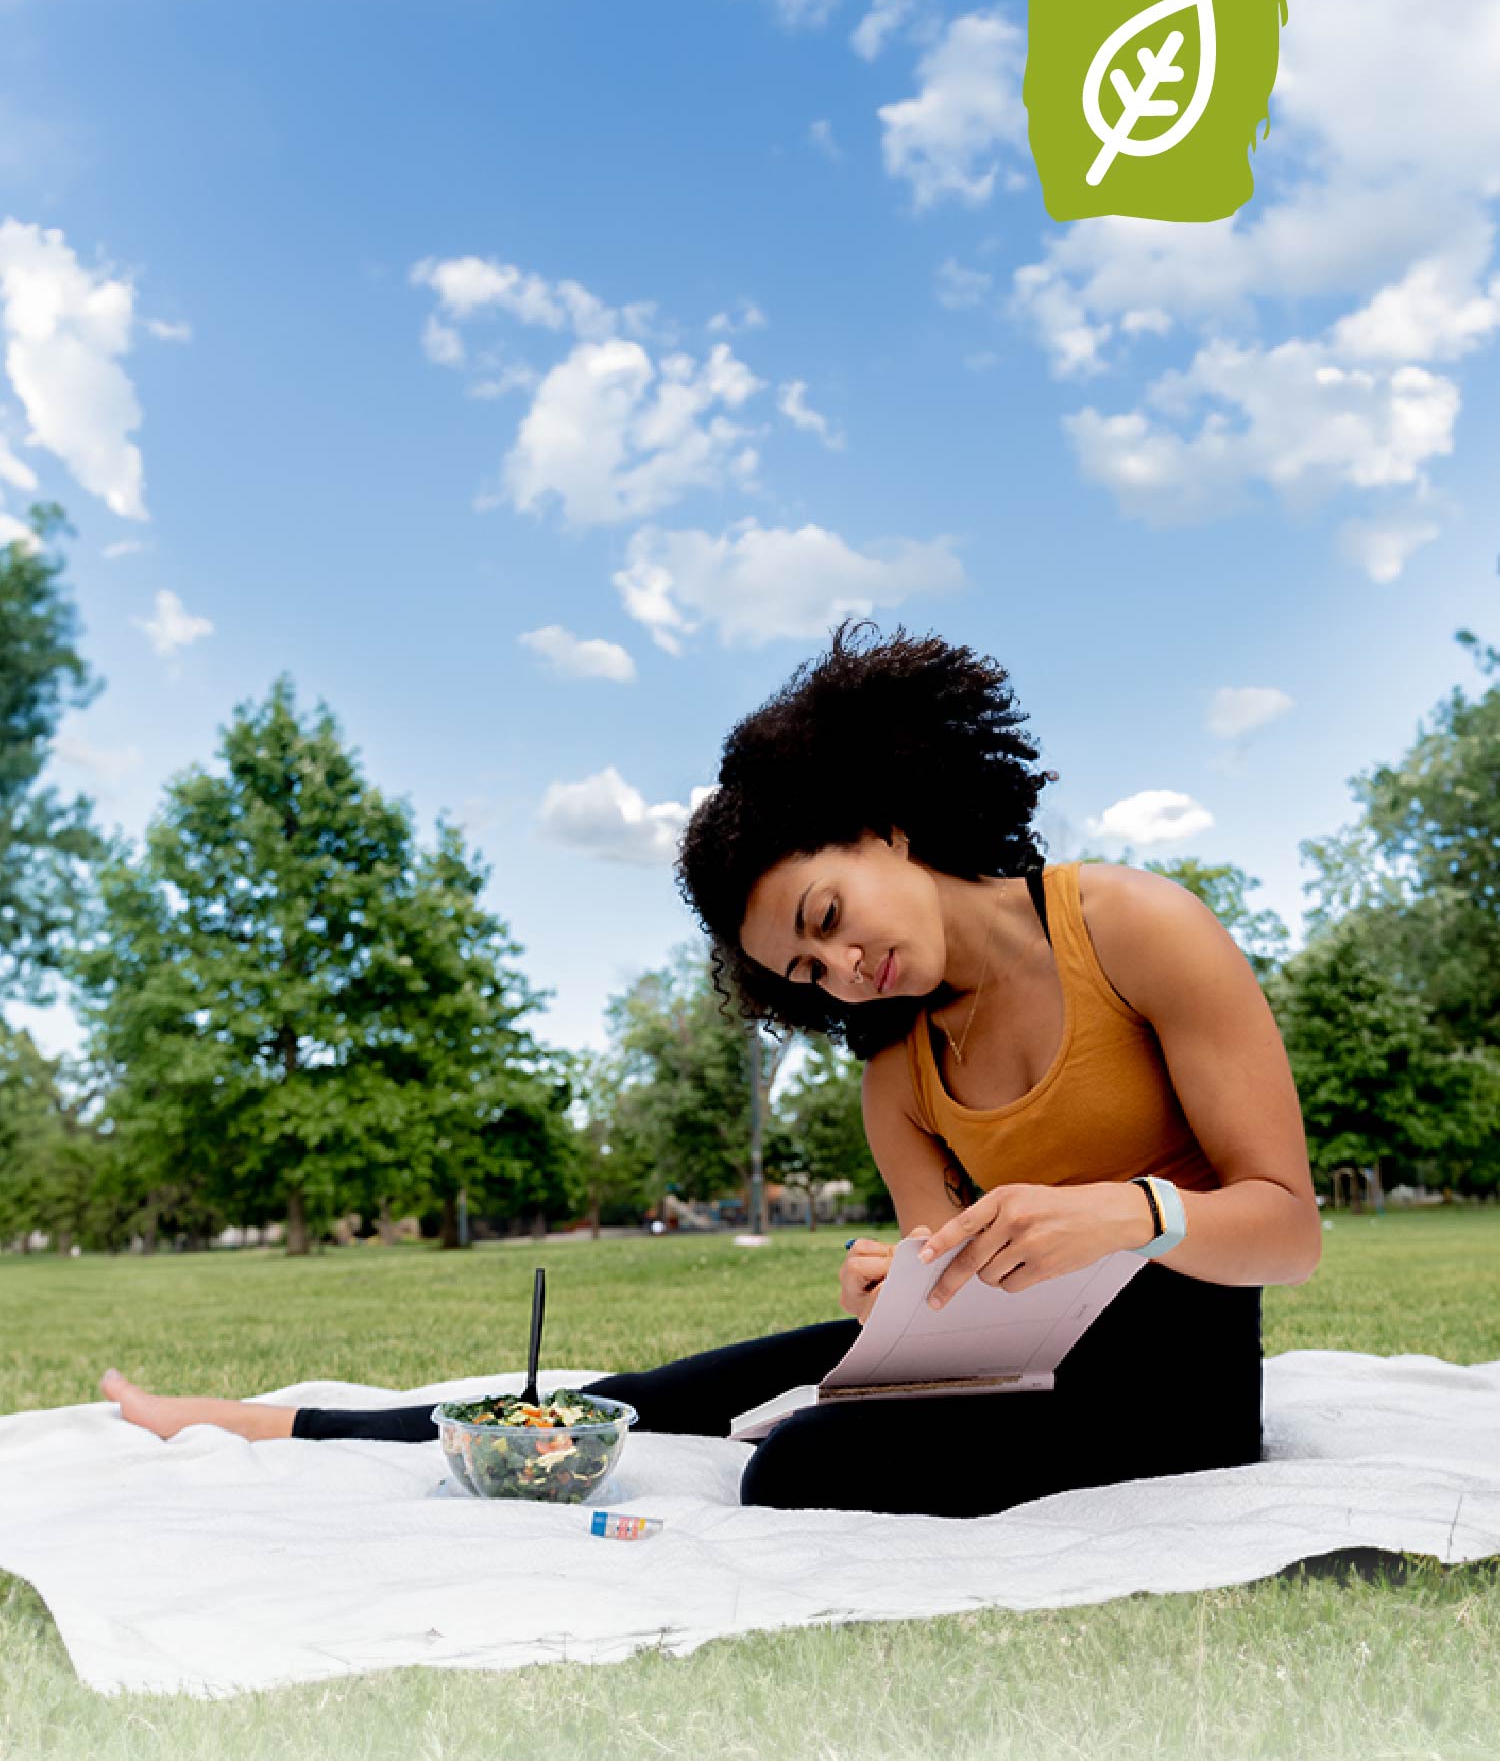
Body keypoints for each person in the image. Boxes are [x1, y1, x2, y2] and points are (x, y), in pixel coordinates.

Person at [104, 625, 1320, 1517]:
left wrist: (1127, 1214)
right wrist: (901, 1287)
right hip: (1029, 1366)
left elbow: (1288, 1231)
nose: (846, 969)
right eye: (810, 968)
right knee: (654, 1393)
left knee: (797, 1463)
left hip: (1182, 1382)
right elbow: (956, 1308)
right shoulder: (898, 1071)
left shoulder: (1134, 926)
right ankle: (265, 1421)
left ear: (884, 824)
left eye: (831, 914)